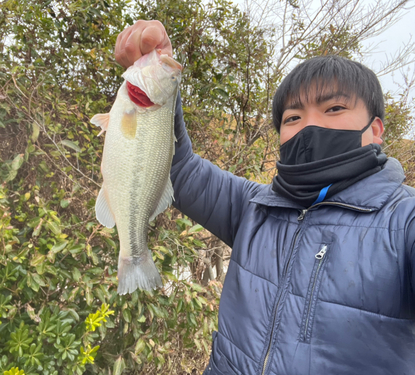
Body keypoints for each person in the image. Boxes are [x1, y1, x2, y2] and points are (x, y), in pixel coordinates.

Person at [115, 20, 415, 374]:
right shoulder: (255, 207)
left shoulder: (404, 221)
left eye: (333, 109)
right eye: (293, 117)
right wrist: (159, 85)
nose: (308, 126)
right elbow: (178, 170)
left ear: (376, 130)